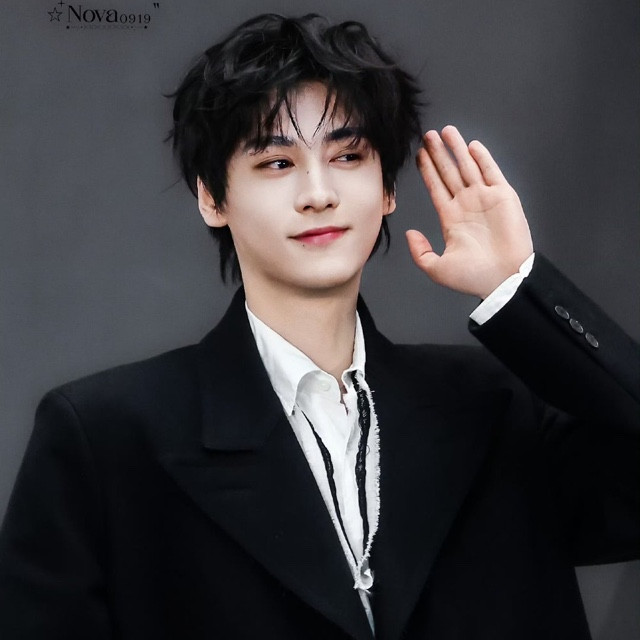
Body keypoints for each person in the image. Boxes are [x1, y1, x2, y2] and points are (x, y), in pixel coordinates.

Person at [0, 13, 637, 640]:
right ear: (212, 198)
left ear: (387, 189)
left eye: (349, 155)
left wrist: (520, 288)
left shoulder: (495, 407)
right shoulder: (103, 438)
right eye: (276, 163)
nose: (318, 192)